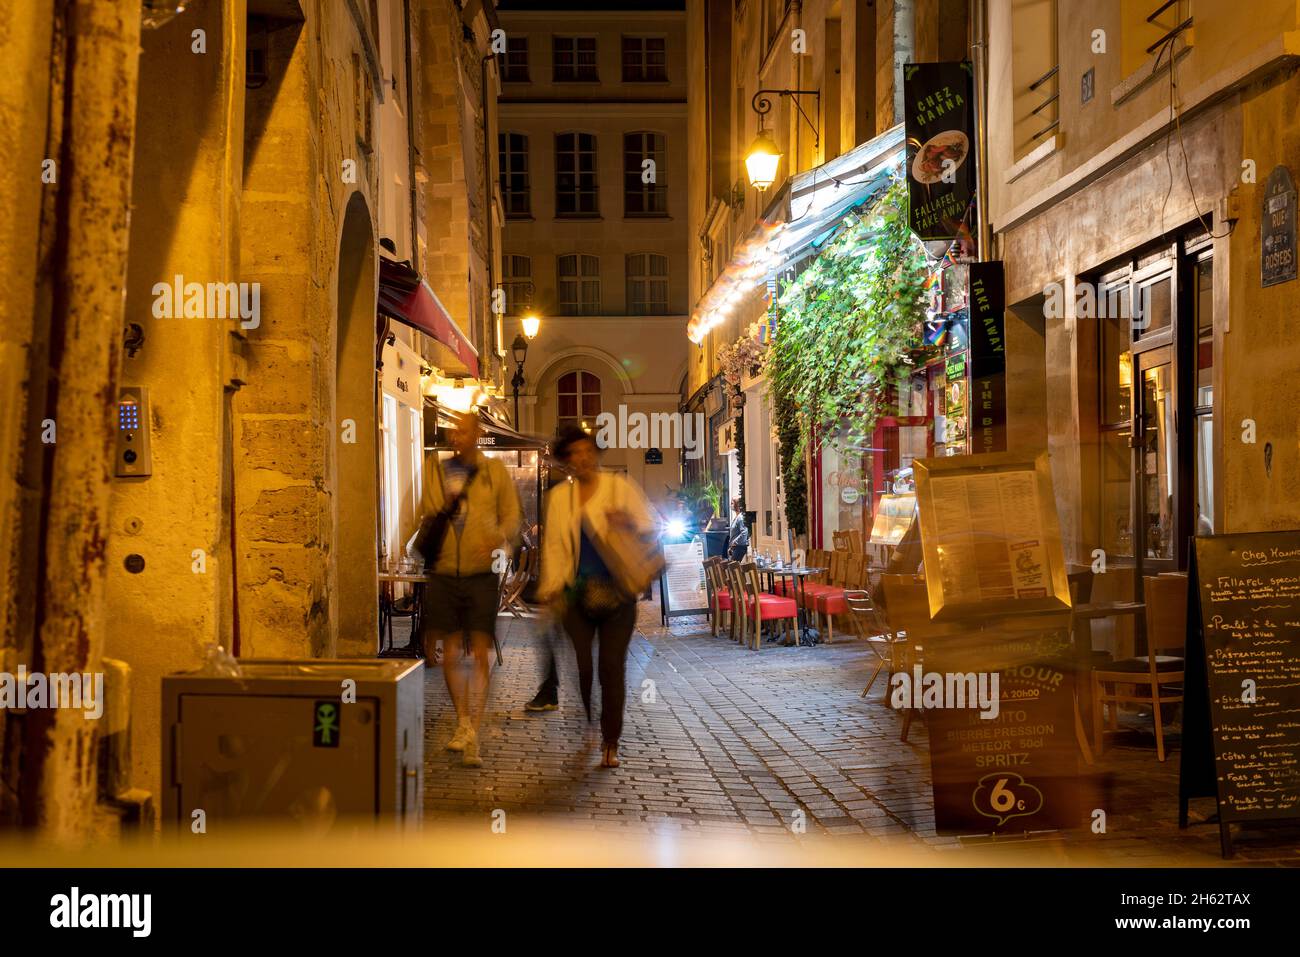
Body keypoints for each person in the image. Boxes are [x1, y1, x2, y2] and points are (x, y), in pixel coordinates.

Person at [537, 425, 657, 769]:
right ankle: (590, 722)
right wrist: (549, 592)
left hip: (618, 595)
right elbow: (555, 548)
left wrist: (628, 524)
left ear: (596, 453)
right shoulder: (559, 498)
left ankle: (610, 740)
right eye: (575, 453)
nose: (583, 458)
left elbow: (650, 527)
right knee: (584, 667)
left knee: (611, 667)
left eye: (588, 451)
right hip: (575, 597)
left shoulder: (620, 488)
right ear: (567, 461)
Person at [418, 412, 521, 767]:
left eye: (464, 431)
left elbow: (511, 516)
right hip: (445, 570)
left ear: (477, 434)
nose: (458, 437)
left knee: (479, 651)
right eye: (455, 432)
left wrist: (496, 540)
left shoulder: (494, 473)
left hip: (480, 572)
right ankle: (462, 722)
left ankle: (473, 730)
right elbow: (424, 512)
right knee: (448, 654)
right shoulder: (437, 470)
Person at [727, 497, 749, 561]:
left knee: (733, 568)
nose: (730, 505)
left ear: (737, 504)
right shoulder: (736, 517)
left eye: (732, 503)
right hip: (735, 548)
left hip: (739, 548)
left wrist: (734, 542)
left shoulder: (740, 518)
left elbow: (744, 532)